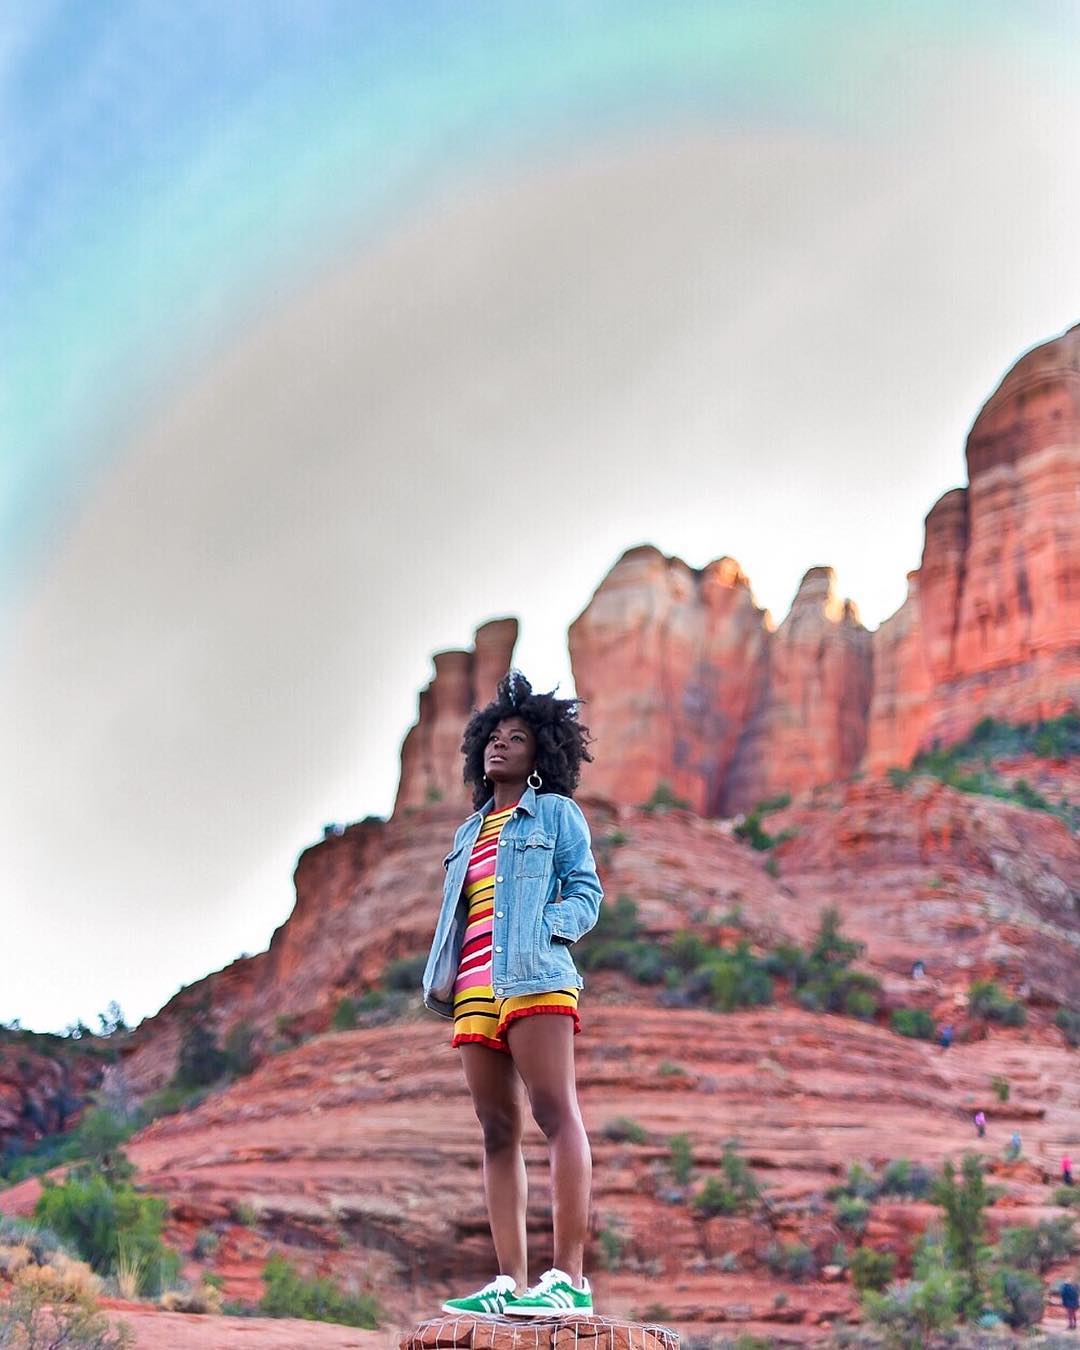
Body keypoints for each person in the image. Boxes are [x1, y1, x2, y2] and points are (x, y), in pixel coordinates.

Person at [422, 672, 603, 1319]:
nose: (500, 745)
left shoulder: (556, 814)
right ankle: (509, 1283)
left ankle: (570, 1282)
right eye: (493, 736)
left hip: (535, 976)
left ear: (541, 752)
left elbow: (586, 892)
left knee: (556, 1114)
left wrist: (545, 929)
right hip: (473, 986)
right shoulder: (467, 833)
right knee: (497, 1130)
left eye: (517, 737)